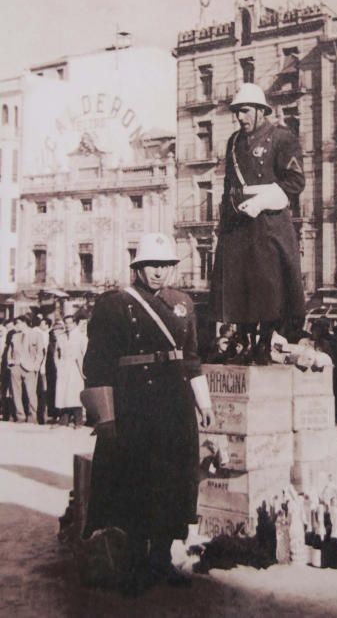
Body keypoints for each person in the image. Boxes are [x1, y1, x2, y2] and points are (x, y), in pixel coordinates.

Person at [81, 231, 213, 597]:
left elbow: (191, 358)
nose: (159, 272)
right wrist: (105, 418)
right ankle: (135, 565)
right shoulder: (113, 304)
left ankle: (161, 560)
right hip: (133, 405)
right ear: (138, 267)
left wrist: (204, 403)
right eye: (151, 265)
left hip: (174, 406)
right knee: (135, 483)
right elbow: (97, 365)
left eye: (165, 265)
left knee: (172, 483)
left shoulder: (183, 303)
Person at [209, 83, 306, 364]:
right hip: (239, 223)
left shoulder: (282, 138)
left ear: (262, 111)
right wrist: (225, 221)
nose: (240, 117)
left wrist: (262, 201)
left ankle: (265, 341)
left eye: (245, 111)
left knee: (270, 284)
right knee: (240, 284)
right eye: (237, 112)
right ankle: (246, 339)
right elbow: (229, 184)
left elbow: (295, 181)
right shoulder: (233, 142)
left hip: (269, 222)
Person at [7, 315, 44, 423]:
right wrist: (10, 362)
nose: (15, 326)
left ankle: (33, 417)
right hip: (16, 366)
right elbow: (10, 350)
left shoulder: (37, 335)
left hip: (30, 368)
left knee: (31, 393)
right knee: (16, 393)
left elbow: (40, 352)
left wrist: (36, 366)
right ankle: (20, 416)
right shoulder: (14, 336)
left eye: (17, 323)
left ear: (24, 323)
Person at [54, 314, 88, 427]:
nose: (68, 325)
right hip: (63, 366)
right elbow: (56, 352)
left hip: (76, 367)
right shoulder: (61, 337)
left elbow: (85, 354)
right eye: (66, 323)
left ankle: (78, 421)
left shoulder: (81, 337)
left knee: (75, 393)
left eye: (70, 323)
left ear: (75, 323)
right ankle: (64, 420)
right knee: (63, 393)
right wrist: (58, 364)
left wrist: (83, 370)